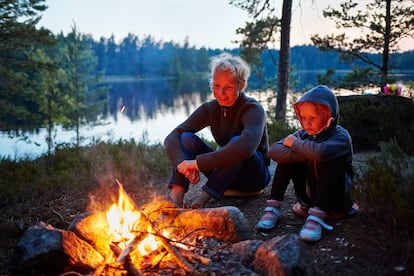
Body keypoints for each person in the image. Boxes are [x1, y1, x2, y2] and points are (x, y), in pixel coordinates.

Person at [164, 52, 271, 209]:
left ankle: (202, 200)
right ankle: (176, 197)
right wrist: (182, 164)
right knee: (186, 138)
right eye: (216, 86)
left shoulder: (253, 109)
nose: (221, 93)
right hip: (224, 175)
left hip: (252, 178)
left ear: (241, 85)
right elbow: (173, 136)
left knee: (236, 143)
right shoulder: (210, 109)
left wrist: (198, 163)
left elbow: (246, 147)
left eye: (228, 87)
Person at [256, 85, 358, 242]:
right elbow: (274, 151)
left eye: (313, 118)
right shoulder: (302, 134)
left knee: (327, 159)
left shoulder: (341, 136)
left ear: (329, 116)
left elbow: (321, 152)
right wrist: (304, 153)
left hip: (337, 199)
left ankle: (317, 216)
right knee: (287, 159)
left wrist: (297, 146)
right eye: (303, 118)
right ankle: (273, 207)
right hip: (309, 197)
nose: (307, 123)